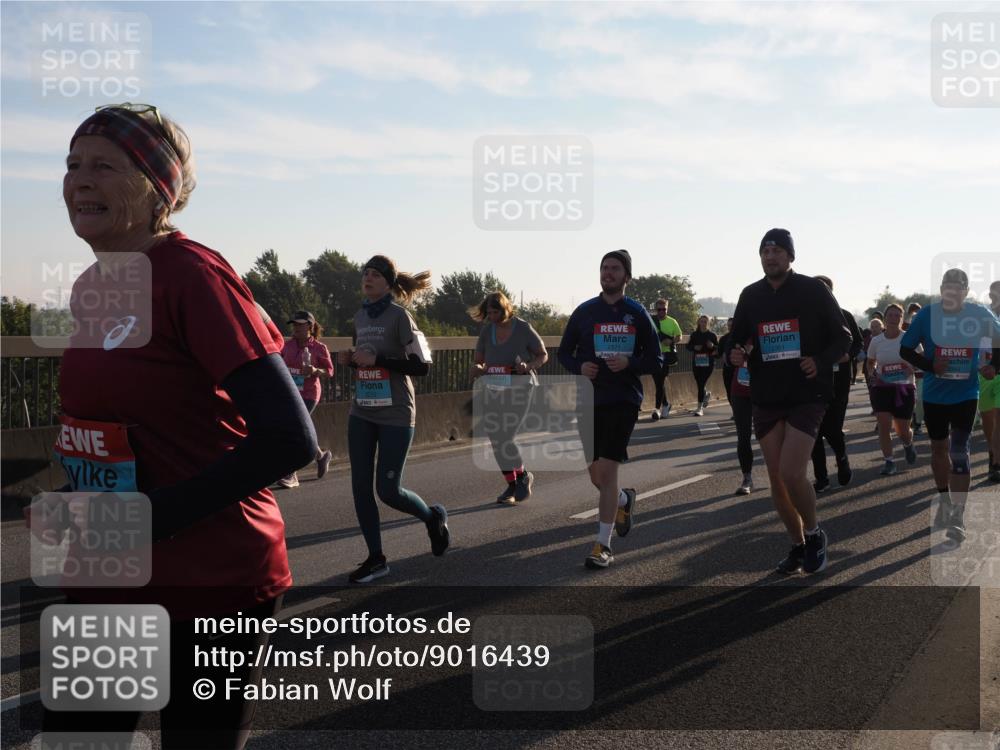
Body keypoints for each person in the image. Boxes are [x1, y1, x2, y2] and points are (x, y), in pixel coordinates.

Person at [44, 103, 316, 748]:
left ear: (153, 187)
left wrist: (156, 512)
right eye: (72, 165)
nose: (79, 180)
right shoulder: (93, 286)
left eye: (103, 166)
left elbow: (290, 436)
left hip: (211, 577)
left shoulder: (193, 275)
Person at [730, 229, 851, 575]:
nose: (771, 256)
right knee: (777, 479)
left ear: (790, 256)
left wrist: (821, 359)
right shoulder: (750, 295)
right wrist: (735, 353)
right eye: (765, 250)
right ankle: (797, 545)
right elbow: (735, 339)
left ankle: (814, 534)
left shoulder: (813, 290)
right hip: (766, 395)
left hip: (806, 393)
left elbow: (842, 337)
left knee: (792, 470)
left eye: (778, 250)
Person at [338, 255, 448, 583]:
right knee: (360, 486)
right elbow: (366, 359)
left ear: (388, 282)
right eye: (365, 273)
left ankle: (431, 517)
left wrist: (379, 358)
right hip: (363, 410)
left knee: (387, 490)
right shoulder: (359, 317)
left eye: (374, 274)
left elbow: (423, 366)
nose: (367, 278)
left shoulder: (401, 317)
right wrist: (354, 361)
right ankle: (376, 558)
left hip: (396, 413)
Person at [558, 250, 661, 569]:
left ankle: (603, 545)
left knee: (608, 470)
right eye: (604, 268)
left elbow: (656, 359)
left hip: (622, 400)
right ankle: (622, 499)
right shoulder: (585, 311)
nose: (608, 273)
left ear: (626, 276)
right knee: (596, 476)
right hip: (588, 399)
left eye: (615, 269)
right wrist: (580, 365)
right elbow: (563, 353)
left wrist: (630, 362)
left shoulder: (636, 313)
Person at [900, 269, 1000, 542]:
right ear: (942, 289)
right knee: (938, 448)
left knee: (959, 450)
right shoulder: (927, 315)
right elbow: (905, 349)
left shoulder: (978, 314)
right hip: (934, 396)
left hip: (966, 394)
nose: (952, 292)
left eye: (958, 287)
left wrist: (994, 366)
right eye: (947, 287)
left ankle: (957, 515)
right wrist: (931, 365)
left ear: (965, 291)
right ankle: (944, 498)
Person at [469, 291, 548, 504]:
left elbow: (543, 354)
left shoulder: (522, 328)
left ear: (505, 309)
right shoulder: (487, 331)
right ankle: (513, 483)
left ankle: (522, 476)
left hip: (521, 388)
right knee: (496, 438)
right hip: (494, 389)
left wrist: (528, 366)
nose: (492, 316)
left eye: (495, 312)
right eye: (489, 313)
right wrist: (477, 368)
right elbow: (479, 360)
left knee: (506, 434)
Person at [810, 276, 862, 493]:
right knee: (812, 432)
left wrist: (846, 356)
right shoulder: (806, 317)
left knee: (832, 429)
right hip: (812, 380)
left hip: (838, 381)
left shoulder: (845, 315)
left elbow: (857, 343)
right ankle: (821, 478)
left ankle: (842, 459)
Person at [277, 310, 335, 488]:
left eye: (300, 324)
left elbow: (330, 371)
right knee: (299, 429)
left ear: (310, 326)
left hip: (309, 394)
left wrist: (316, 371)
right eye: (294, 324)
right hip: (291, 393)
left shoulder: (318, 348)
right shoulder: (286, 346)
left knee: (295, 428)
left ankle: (291, 473)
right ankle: (321, 456)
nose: (295, 328)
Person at [866, 304, 918, 475]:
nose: (894, 318)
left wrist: (912, 368)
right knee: (883, 424)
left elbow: (921, 359)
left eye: (897, 315)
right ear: (885, 319)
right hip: (882, 387)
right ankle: (889, 461)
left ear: (902, 319)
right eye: (890, 315)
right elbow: (870, 362)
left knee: (902, 430)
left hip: (905, 387)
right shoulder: (876, 341)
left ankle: (907, 444)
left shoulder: (909, 338)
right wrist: (872, 373)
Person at [978, 281, 1000, 482]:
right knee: (988, 422)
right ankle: (992, 453)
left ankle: (996, 463)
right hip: (984, 373)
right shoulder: (983, 316)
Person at [650, 298, 682, 419]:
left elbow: (679, 336)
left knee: (660, 381)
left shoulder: (672, 321)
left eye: (664, 309)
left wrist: (672, 341)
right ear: (656, 309)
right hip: (654, 354)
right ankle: (666, 404)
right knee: (658, 382)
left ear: (667, 309)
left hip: (666, 355)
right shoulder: (651, 321)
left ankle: (657, 409)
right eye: (659, 309)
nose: (662, 311)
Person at [686, 315, 718, 417]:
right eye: (701, 322)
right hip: (697, 363)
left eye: (705, 322)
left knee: (701, 383)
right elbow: (688, 346)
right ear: (698, 323)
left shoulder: (712, 335)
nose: (703, 323)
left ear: (708, 323)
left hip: (708, 363)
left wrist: (712, 346)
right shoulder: (694, 335)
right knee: (699, 382)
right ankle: (706, 393)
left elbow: (718, 349)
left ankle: (699, 408)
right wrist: (694, 347)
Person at [905, 303, 926, 435]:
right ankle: (913, 422)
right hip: (908, 374)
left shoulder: (929, 336)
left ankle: (918, 423)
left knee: (921, 399)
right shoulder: (905, 336)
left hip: (924, 374)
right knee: (912, 400)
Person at [718, 317, 736, 412]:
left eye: (732, 325)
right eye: (729, 326)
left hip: (739, 370)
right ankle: (735, 411)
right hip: (727, 369)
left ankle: (741, 411)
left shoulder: (741, 337)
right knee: (729, 391)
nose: (730, 327)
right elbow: (718, 353)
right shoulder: (724, 339)